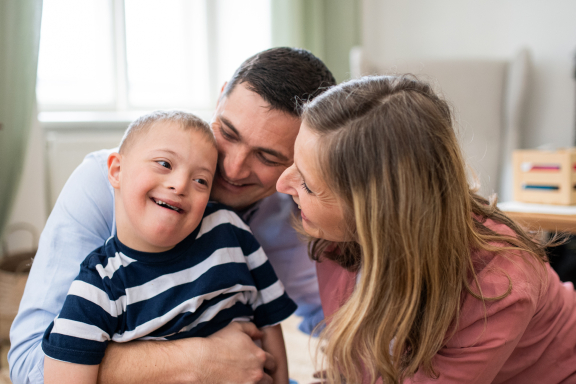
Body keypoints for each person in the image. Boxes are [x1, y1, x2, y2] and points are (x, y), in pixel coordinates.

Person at [9, 47, 336, 384]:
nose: (232, 168)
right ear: (220, 97)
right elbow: (28, 364)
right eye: (228, 132)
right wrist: (196, 360)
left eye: (267, 157)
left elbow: (341, 318)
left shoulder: (296, 215)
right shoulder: (105, 186)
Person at [276, 75, 576, 384]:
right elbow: (359, 356)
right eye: (294, 163)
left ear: (375, 212)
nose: (281, 184)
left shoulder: (499, 288)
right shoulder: (333, 237)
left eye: (308, 185)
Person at [42, 111, 295, 384]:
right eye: (164, 164)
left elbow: (270, 318)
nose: (180, 185)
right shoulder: (98, 286)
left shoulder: (229, 229)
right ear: (116, 171)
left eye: (201, 180)